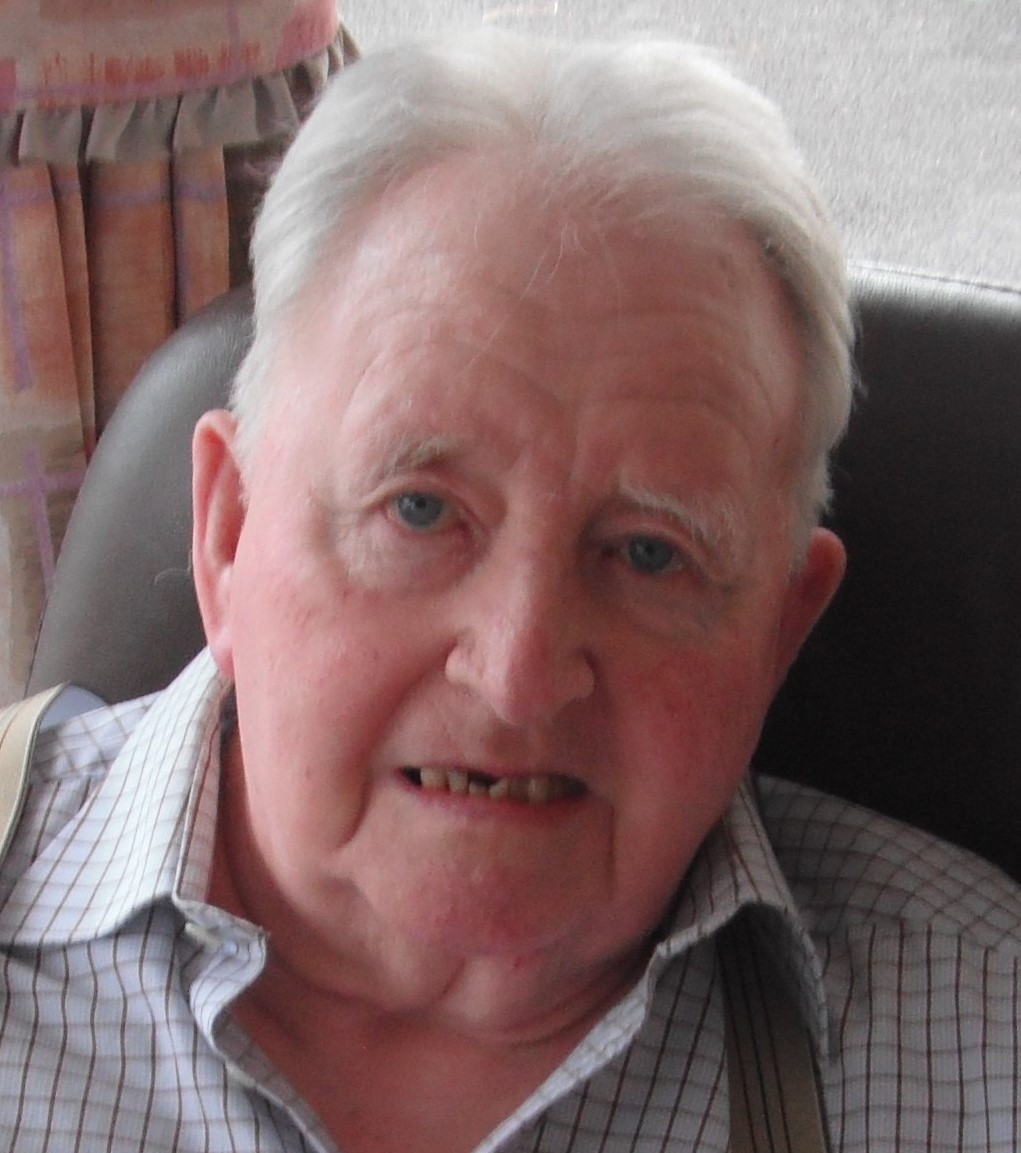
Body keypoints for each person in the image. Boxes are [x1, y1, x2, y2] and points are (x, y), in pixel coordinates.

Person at [1, 29, 1018, 1153]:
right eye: (419, 510)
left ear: (780, 629)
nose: (518, 672)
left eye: (648, 553)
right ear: (228, 531)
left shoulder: (982, 1049)